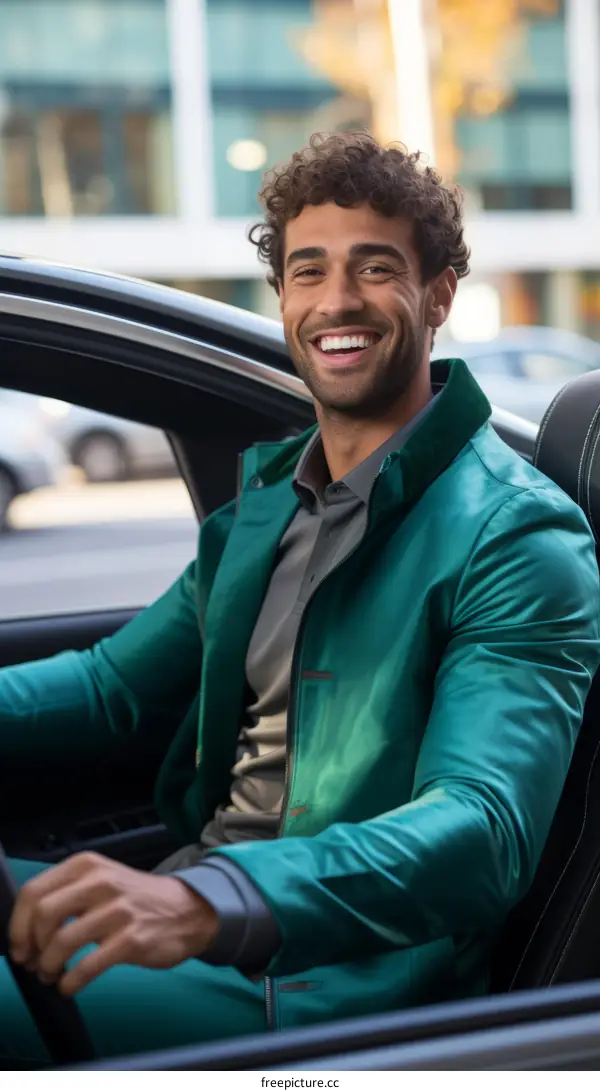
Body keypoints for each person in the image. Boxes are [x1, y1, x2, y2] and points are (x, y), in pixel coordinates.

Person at [2, 131, 599, 1065]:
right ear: (281, 296)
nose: (336, 301)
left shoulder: (520, 536)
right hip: (210, 928)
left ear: (439, 293)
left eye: (374, 267)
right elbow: (109, 687)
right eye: (307, 270)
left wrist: (215, 898)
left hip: (337, 995)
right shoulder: (270, 508)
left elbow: (481, 828)